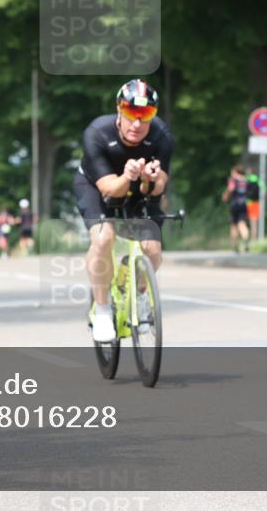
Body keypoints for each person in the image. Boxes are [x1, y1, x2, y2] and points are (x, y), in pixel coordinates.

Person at [74, 79, 174, 343]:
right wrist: (128, 176)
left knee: (152, 249)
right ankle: (103, 310)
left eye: (146, 115)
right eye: (131, 113)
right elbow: (109, 190)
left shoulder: (161, 136)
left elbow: (159, 186)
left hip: (136, 187)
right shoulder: (97, 133)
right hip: (98, 187)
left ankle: (141, 293)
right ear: (119, 110)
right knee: (103, 238)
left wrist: (149, 179)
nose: (137, 124)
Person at [222, 165, 250, 253]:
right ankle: (245, 241)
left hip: (235, 205)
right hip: (244, 204)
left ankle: (235, 246)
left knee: (234, 226)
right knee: (242, 224)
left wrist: (225, 196)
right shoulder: (245, 180)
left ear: (235, 172)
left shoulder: (233, 180)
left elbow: (230, 189)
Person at [246, 169, 265, 241]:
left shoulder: (246, 179)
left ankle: (248, 238)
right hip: (256, 203)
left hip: (247, 203)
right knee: (254, 222)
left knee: (243, 222)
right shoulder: (258, 179)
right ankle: (254, 239)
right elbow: (264, 188)